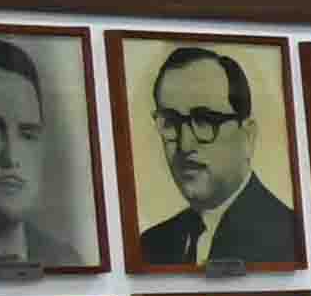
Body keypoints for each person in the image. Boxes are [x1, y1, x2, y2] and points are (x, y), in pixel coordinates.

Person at [128, 43, 301, 270]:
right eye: (170, 122)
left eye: (205, 120)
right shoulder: (150, 246)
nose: (184, 144)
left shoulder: (292, 237)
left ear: (247, 136)